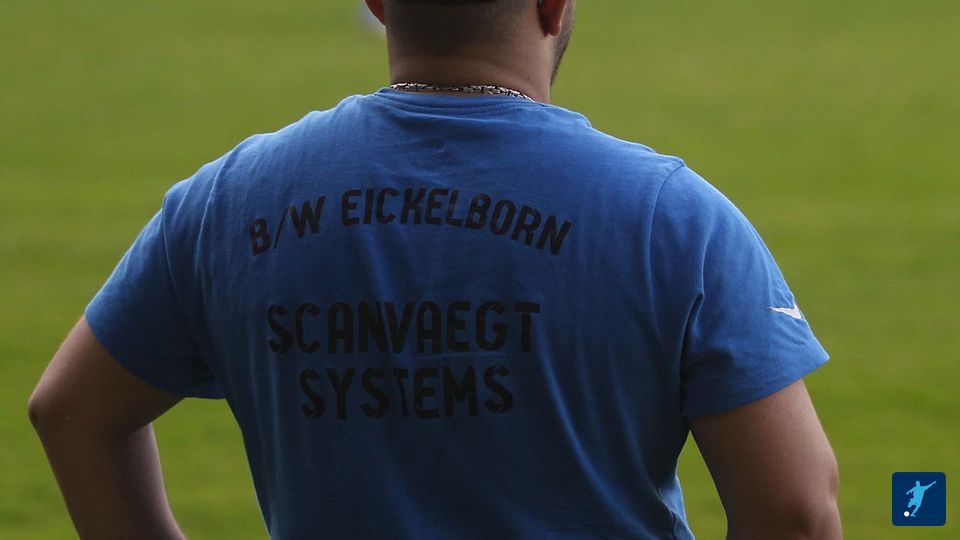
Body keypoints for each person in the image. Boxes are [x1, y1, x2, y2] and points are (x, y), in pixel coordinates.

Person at [28, 0, 842, 538]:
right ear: (554, 7)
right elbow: (797, 511)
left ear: (380, 5)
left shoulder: (230, 201)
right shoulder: (671, 217)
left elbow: (71, 411)